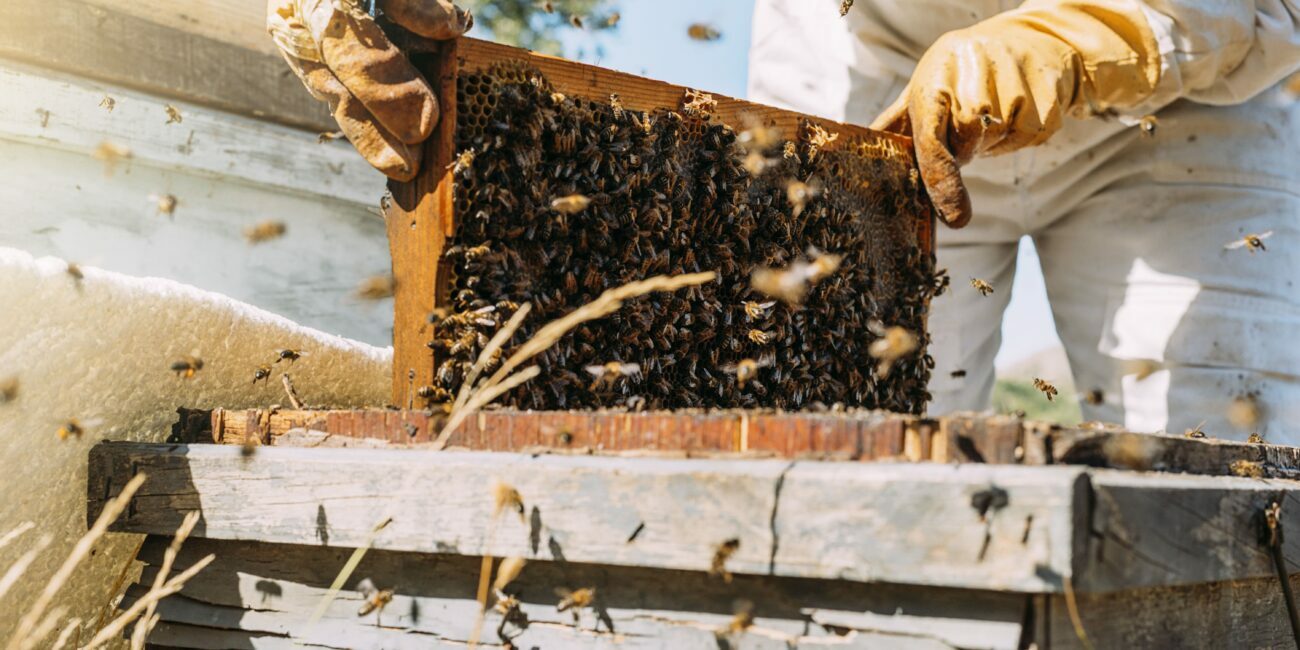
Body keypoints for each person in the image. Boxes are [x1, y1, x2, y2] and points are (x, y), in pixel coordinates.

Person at [270, 0, 1300, 441]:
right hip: (875, 84)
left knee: (1220, 459)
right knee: (839, 437)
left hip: (1181, 102)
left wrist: (1091, 35)